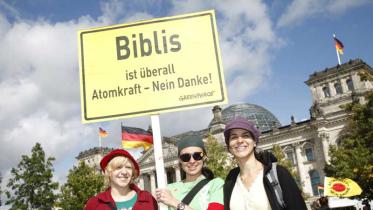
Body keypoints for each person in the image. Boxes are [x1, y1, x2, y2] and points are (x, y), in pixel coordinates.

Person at [223, 118, 307, 210]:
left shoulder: (279, 174)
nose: (240, 140)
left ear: (254, 142)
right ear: (229, 147)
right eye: (234, 137)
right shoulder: (230, 181)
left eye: (246, 135)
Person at [156, 135, 224, 210]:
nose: (192, 161)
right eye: (186, 157)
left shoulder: (216, 184)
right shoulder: (168, 188)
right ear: (180, 160)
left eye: (197, 156)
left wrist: (174, 202)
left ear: (204, 157)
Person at [84, 149, 158, 210]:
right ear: (108, 172)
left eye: (128, 167)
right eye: (118, 167)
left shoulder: (148, 199)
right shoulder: (94, 203)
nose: (124, 172)